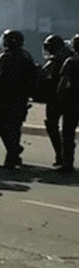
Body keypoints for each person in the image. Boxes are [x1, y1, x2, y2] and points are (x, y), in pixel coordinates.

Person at [0, 30, 38, 168]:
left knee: (1, 125)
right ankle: (14, 153)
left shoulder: (5, 56)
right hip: (21, 96)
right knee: (15, 127)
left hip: (7, 96)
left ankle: (12, 153)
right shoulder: (26, 55)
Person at [41, 34, 72, 167]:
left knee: (52, 125)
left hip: (56, 97)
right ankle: (67, 158)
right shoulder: (70, 56)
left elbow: (44, 75)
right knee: (68, 129)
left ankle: (61, 156)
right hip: (72, 98)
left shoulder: (56, 60)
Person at [57, 34, 79, 173]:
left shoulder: (71, 61)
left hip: (72, 101)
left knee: (68, 133)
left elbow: (63, 83)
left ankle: (67, 163)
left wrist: (59, 98)